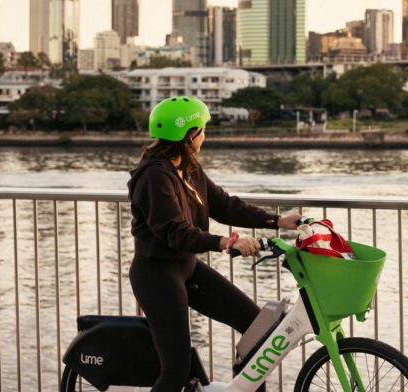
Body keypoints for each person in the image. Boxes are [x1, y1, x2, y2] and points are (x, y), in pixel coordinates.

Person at [127, 96, 299, 391]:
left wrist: (277, 221)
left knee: (257, 328)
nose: (205, 135)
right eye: (202, 129)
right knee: (176, 371)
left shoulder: (189, 168)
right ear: (188, 134)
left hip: (187, 268)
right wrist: (225, 242)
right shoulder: (154, 176)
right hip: (156, 275)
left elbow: (225, 205)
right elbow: (175, 231)